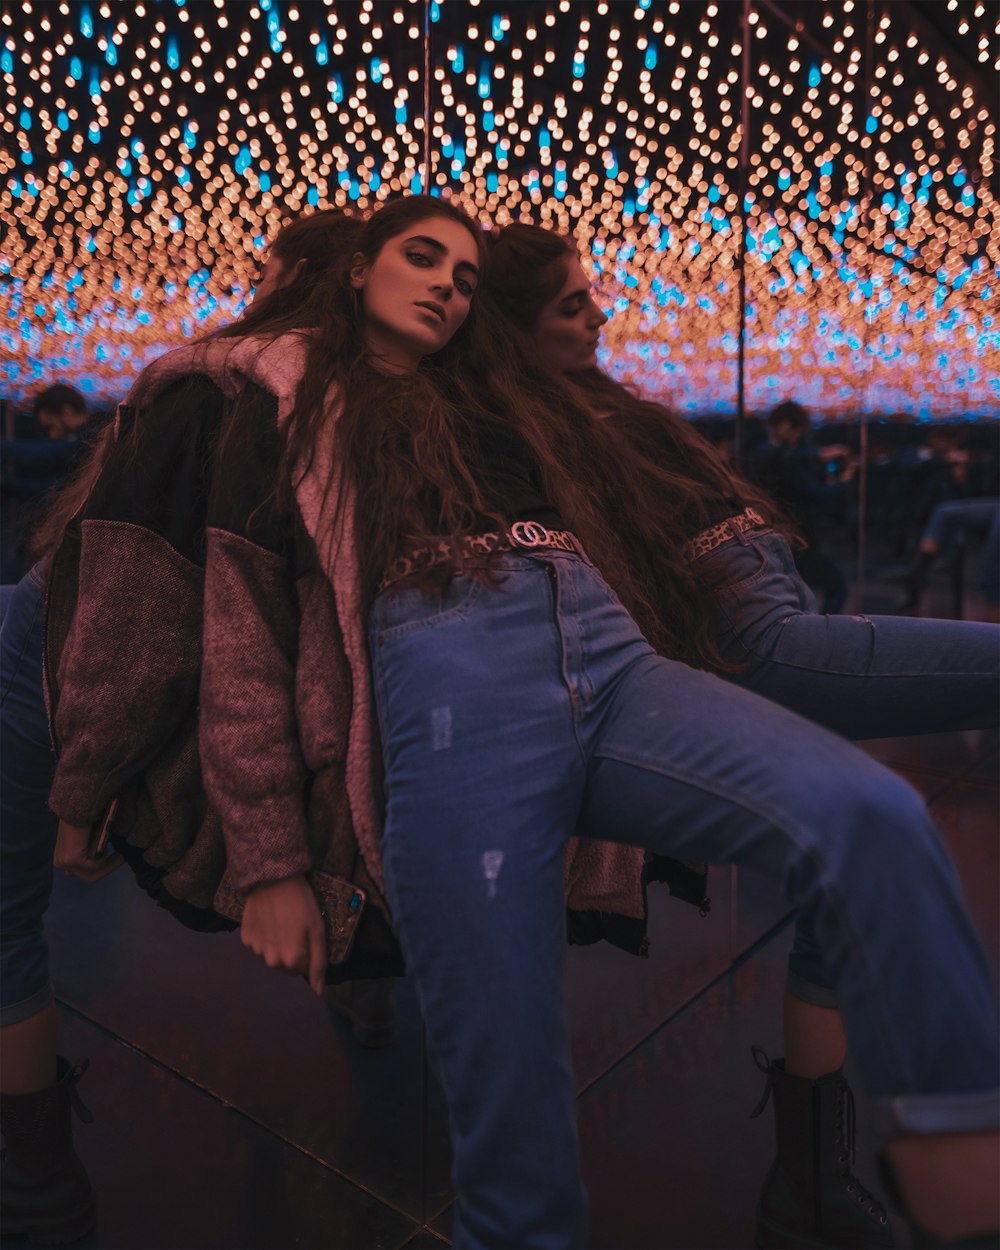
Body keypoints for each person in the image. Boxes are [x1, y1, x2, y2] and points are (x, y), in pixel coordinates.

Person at [36, 196, 1000, 1250]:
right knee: (515, 1119)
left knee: (871, 810)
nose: (448, 282)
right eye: (421, 257)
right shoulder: (289, 383)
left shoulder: (497, 396)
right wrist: (259, 851)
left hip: (600, 638)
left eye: (464, 273)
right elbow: (235, 615)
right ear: (354, 268)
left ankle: (958, 1156)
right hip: (453, 678)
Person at [483, 221, 1000, 1247]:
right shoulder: (520, 418)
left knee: (854, 864)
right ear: (512, 328)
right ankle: (942, 1186)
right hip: (753, 622)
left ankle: (808, 1182)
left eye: (590, 295)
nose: (598, 313)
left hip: (768, 594)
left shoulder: (586, 403)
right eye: (570, 304)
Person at [0, 208, 398, 1246]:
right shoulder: (354, 402)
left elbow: (137, 601)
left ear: (290, 275)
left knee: (3, 920)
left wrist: (82, 792)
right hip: (64, 649)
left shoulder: (227, 379)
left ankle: (36, 1189)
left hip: (42, 652)